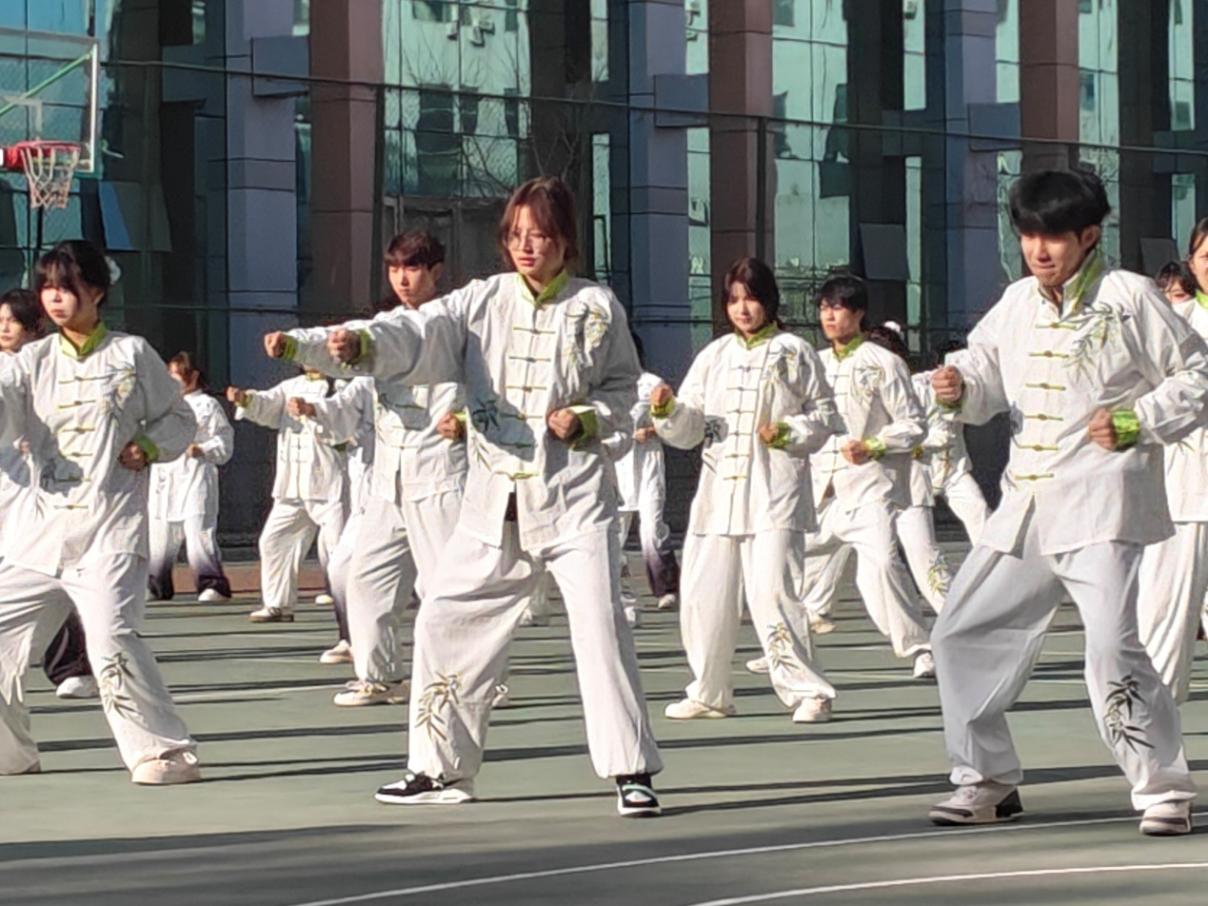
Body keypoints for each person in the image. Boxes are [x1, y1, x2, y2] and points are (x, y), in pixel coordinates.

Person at [266, 176, 663, 816]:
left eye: (540, 235)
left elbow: (624, 389)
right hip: (491, 500)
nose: (527, 247)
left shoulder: (596, 306)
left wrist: (587, 417)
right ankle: (439, 768)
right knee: (443, 618)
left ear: (566, 241)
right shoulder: (481, 300)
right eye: (516, 235)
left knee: (600, 627)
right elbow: (420, 333)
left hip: (574, 500)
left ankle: (631, 770)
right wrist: (362, 346)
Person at [927, 168, 1200, 836]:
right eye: (1027, 234)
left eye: (1052, 235)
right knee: (958, 633)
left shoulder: (1129, 296)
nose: (1038, 249)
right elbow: (986, 373)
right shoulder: (1017, 301)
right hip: (1024, 504)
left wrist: (1138, 419)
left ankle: (1162, 788)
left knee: (1111, 646)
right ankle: (986, 778)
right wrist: (959, 386)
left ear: (1089, 235)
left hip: (1102, 503)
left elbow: (1197, 372)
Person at [0, 240, 200, 783]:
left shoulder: (131, 354)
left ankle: (164, 753)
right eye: (47, 287)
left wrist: (150, 446)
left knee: (112, 638)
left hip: (111, 526)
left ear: (96, 291)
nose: (54, 298)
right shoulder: (31, 361)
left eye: (66, 287)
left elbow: (180, 419)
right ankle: (11, 753)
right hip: (40, 532)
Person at [653, 256, 843, 723]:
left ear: (769, 302)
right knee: (703, 596)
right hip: (718, 496)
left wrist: (788, 431)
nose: (742, 309)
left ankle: (809, 691)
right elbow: (691, 427)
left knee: (773, 594)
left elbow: (824, 417)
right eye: (734, 300)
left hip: (772, 494)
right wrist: (667, 412)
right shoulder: (714, 355)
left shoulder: (794, 351)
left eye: (751, 299)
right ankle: (710, 691)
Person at [284, 229, 469, 701]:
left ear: (435, 272)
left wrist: (468, 421)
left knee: (446, 587)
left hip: (441, 475)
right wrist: (294, 346)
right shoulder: (384, 325)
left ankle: (473, 679)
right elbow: (349, 346)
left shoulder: (454, 324)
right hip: (389, 481)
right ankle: (379, 674)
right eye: (394, 268)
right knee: (363, 577)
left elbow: (490, 389)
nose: (402, 279)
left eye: (413, 268)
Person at [797, 273, 933, 677]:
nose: (829, 316)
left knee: (882, 565)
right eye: (824, 308)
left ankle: (920, 648)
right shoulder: (814, 363)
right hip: (819, 490)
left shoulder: (884, 363)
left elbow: (914, 424)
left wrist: (873, 445)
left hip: (868, 488)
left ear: (858, 313)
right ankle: (784, 650)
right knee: (784, 566)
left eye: (837, 308)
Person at [1135, 221, 1208, 705]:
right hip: (1182, 491)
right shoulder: (1172, 322)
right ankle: (1154, 732)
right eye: (1206, 257)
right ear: (1191, 262)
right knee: (1162, 617)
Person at [225, 369, 356, 623]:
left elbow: (345, 426)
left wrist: (312, 411)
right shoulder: (290, 386)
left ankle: (355, 608)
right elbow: (268, 404)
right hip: (292, 484)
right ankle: (278, 604)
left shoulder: (341, 387)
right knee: (273, 540)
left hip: (327, 482)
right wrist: (246, 399)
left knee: (339, 548)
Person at [147, 352, 234, 603]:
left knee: (199, 534)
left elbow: (224, 442)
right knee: (160, 537)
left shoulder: (208, 405)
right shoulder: (162, 407)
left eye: (177, 375)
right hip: (165, 479)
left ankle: (212, 583)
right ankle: (156, 584)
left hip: (195, 476)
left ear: (193, 376)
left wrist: (203, 449)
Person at [612, 333, 681, 625]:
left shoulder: (652, 383)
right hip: (616, 465)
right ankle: (623, 600)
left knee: (651, 529)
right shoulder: (605, 387)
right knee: (613, 538)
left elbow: (673, 422)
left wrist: (650, 431)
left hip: (647, 463)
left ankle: (667, 588)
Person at [920, 339, 990, 544]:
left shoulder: (968, 389)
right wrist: (929, 441)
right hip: (921, 470)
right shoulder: (918, 386)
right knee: (919, 535)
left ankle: (990, 562)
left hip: (954, 471)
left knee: (979, 511)